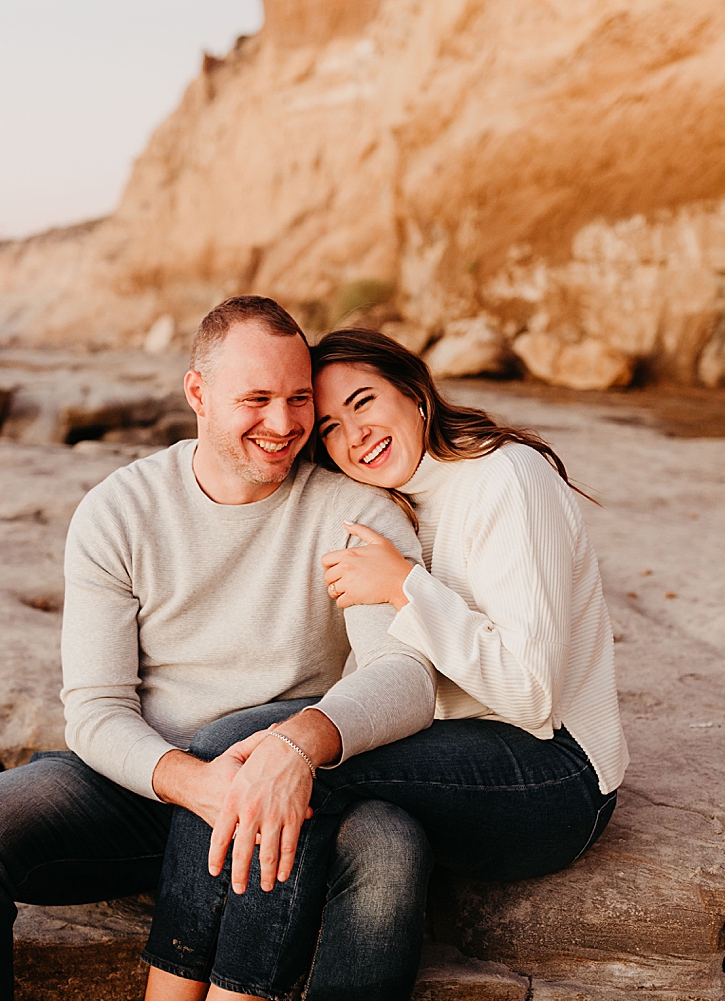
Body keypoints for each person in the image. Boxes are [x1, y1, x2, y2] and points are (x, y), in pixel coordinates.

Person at [0, 299, 441, 1001]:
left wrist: (298, 747)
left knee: (390, 846)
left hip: (288, 790)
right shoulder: (119, 510)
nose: (283, 425)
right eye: (255, 399)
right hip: (143, 786)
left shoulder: (357, 513)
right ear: (197, 393)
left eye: (298, 398)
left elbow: (404, 673)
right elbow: (95, 710)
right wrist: (200, 785)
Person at [142, 327, 628, 1001]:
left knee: (268, 758)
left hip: (557, 772)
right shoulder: (399, 498)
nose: (355, 435)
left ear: (415, 389)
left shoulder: (506, 477)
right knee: (277, 769)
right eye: (333, 426)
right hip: (456, 753)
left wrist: (405, 585)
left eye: (366, 401)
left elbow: (532, 693)